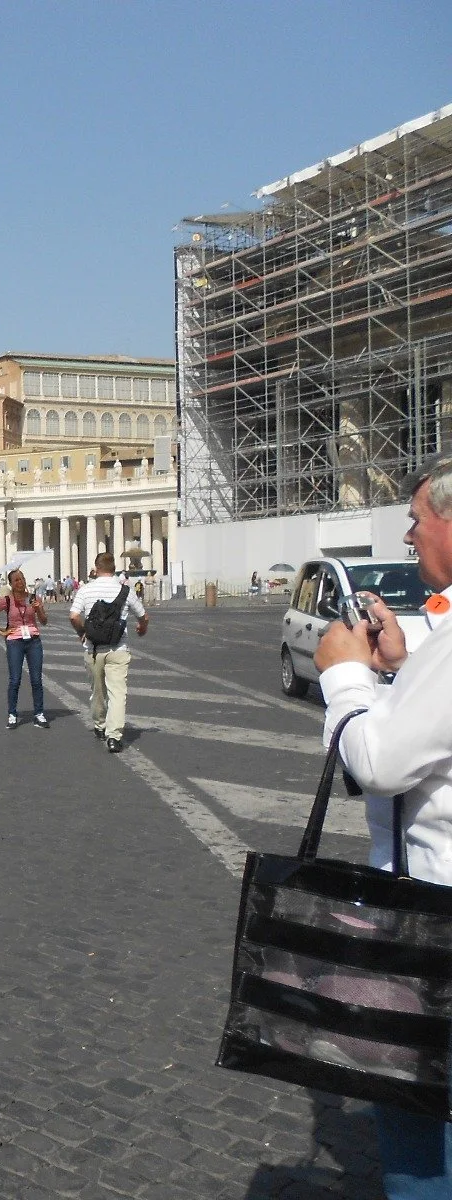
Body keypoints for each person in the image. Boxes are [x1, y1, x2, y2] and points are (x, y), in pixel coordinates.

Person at [315, 457, 452, 1197]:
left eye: (416, 519)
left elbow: (381, 763)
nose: (408, 533)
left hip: (434, 919)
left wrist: (344, 673)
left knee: (413, 1113)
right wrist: (408, 661)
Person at [69, 551, 148, 753]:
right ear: (114, 569)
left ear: (96, 569)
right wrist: (142, 628)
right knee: (117, 694)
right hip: (118, 648)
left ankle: (100, 725)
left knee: (97, 692)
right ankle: (114, 737)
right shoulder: (125, 591)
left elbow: (73, 616)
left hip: (93, 649)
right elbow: (143, 616)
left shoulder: (86, 590)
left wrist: (82, 631)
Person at [0, 568, 49, 729]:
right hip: (15, 641)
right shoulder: (6, 600)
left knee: (36, 680)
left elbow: (44, 621)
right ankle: (12, 714)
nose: (20, 583)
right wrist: (1, 631)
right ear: (11, 584)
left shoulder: (34, 598)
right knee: (15, 679)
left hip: (34, 640)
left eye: (22, 579)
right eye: (17, 580)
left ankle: (39, 713)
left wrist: (39, 608)